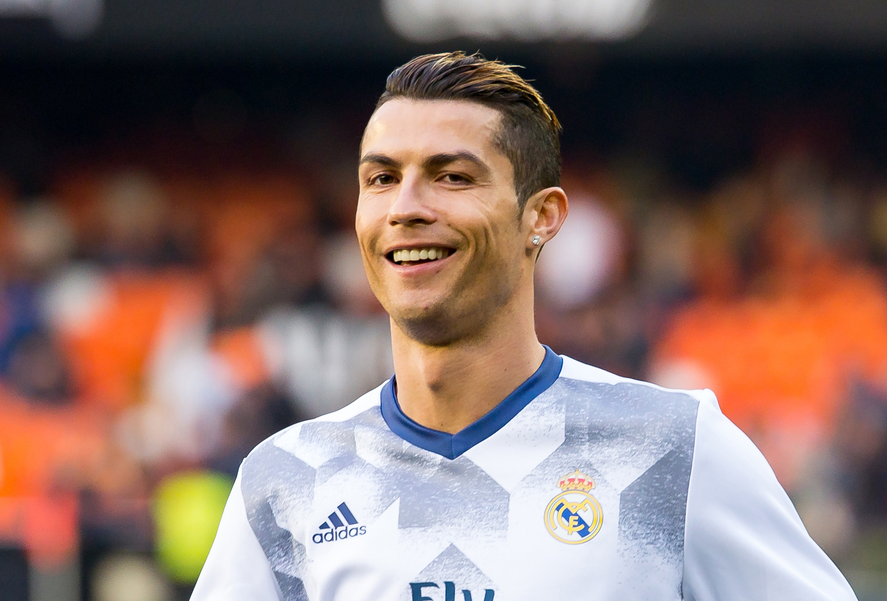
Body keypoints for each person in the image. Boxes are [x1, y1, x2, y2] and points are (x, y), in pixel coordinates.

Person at [191, 51, 858, 601]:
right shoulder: (284, 483)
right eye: (382, 178)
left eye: (452, 176)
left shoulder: (676, 450)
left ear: (541, 217)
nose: (406, 207)